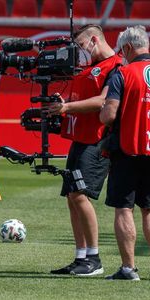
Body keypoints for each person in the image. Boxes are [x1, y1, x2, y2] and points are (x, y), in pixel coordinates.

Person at [46, 24, 122, 276]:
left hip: (97, 140)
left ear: (93, 40)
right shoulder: (89, 69)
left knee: (79, 194)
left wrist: (68, 107)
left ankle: (94, 258)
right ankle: (81, 257)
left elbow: (103, 101)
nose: (79, 52)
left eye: (80, 46)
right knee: (72, 197)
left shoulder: (116, 67)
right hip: (81, 138)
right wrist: (64, 105)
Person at [100, 25, 150, 281]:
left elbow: (108, 114)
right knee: (149, 210)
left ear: (128, 47)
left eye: (122, 50)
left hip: (128, 150)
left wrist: (103, 114)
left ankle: (129, 268)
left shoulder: (123, 73)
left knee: (124, 208)